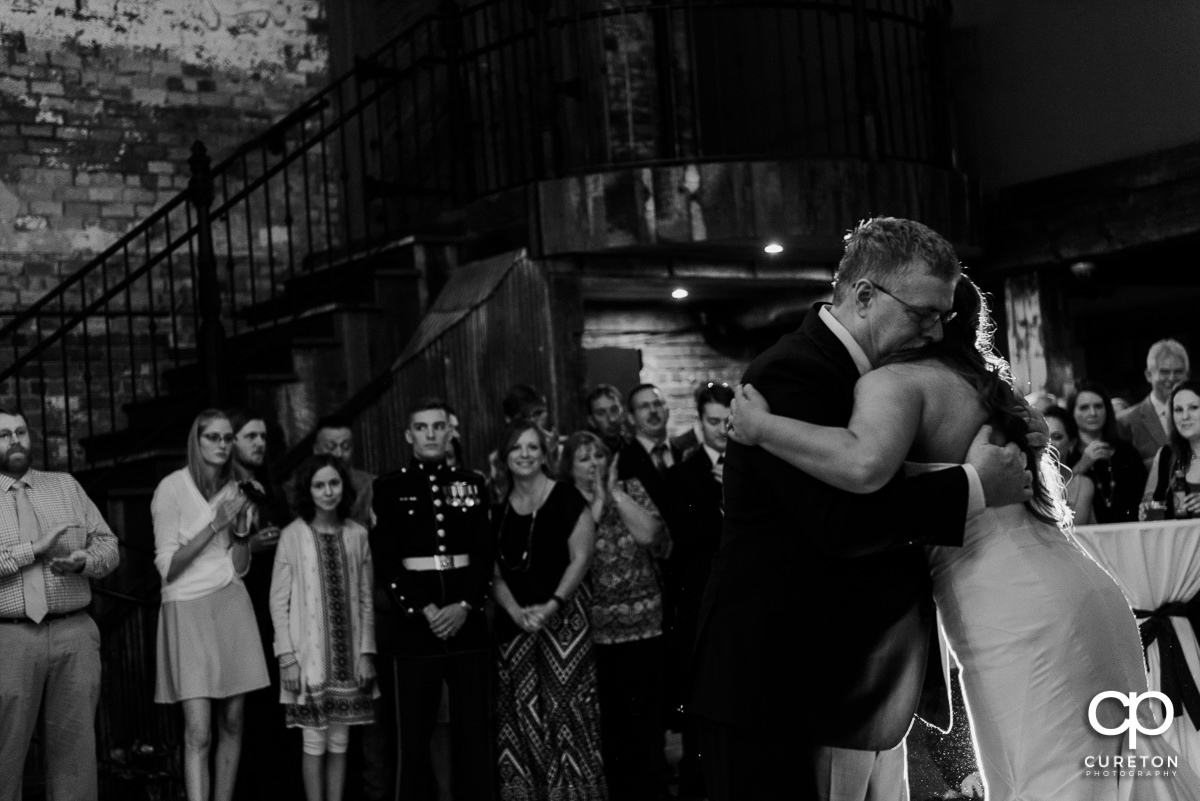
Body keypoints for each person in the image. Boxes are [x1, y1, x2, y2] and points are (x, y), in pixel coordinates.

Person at [729, 275, 1200, 799]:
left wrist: (762, 428)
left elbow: (862, 464)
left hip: (1012, 609)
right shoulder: (985, 385)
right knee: (1121, 767)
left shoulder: (896, 383)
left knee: (1050, 776)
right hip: (1085, 587)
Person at [687, 217, 1030, 801]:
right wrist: (973, 487)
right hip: (782, 681)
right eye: (922, 313)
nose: (934, 331)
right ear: (865, 295)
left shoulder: (874, 374)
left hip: (841, 680)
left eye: (944, 316)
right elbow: (843, 524)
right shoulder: (793, 371)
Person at [370, 398, 493, 801]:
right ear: (409, 435)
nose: (430, 435)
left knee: (474, 727)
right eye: (421, 428)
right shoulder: (389, 488)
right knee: (411, 733)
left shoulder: (472, 483)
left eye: (438, 427)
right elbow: (387, 560)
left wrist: (464, 606)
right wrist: (424, 609)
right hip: (413, 628)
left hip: (465, 621)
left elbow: (483, 554)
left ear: (450, 432)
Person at [0, 406, 119, 801]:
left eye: (20, 432)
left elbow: (108, 544)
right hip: (9, 638)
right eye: (3, 435)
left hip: (74, 632)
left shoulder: (65, 486)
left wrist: (85, 561)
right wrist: (32, 550)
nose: (14, 441)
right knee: (5, 755)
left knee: (77, 756)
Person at [152, 409, 270, 801]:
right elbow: (169, 568)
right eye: (213, 438)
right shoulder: (171, 488)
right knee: (198, 730)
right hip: (186, 608)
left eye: (226, 438)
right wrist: (218, 523)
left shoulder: (239, 490)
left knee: (234, 722)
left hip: (232, 603)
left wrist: (239, 531)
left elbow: (239, 566)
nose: (222, 445)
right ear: (196, 441)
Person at [492, 420, 606, 801]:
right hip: (516, 625)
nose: (524, 454)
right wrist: (516, 612)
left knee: (565, 712)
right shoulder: (498, 511)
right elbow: (494, 575)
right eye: (516, 448)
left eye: (531, 447)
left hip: (565, 623)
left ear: (544, 454)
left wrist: (552, 605)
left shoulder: (568, 498)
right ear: (505, 458)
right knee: (522, 717)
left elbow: (582, 557)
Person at [564, 430, 669, 801]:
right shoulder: (568, 502)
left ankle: (653, 787)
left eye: (599, 456)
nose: (594, 464)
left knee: (648, 716)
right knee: (614, 720)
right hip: (600, 630)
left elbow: (650, 534)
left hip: (645, 621)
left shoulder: (631, 488)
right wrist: (595, 500)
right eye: (584, 458)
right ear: (570, 466)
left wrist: (614, 494)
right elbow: (582, 554)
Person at [270, 454, 377, 801]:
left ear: (344, 487)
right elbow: (278, 601)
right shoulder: (293, 536)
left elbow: (365, 599)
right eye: (319, 485)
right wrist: (286, 657)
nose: (327, 491)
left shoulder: (358, 535)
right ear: (308, 490)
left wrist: (366, 654)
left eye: (334, 483)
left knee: (340, 744)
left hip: (348, 662)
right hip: (308, 661)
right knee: (313, 743)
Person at [664, 382, 732, 800]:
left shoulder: (757, 468)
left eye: (728, 421)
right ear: (698, 422)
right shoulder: (681, 474)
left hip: (744, 601)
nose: (722, 429)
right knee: (698, 701)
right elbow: (686, 538)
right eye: (713, 422)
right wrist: (724, 495)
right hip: (698, 600)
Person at [227, 408, 298, 801]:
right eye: (250, 435)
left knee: (276, 703)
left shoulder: (271, 488)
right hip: (238, 604)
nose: (259, 443)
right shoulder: (221, 491)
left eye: (263, 437)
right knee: (244, 708)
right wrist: (249, 546)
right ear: (232, 441)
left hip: (273, 604)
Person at [1068, 380, 1146, 523]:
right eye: (1084, 407)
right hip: (1085, 536)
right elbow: (1058, 495)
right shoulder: (1066, 453)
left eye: (1098, 406)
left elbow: (1142, 497)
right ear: (1072, 412)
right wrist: (1082, 465)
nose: (1093, 413)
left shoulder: (1126, 451)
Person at [1118, 339, 1191, 469]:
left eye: (1179, 372)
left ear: (1187, 375)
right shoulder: (1125, 422)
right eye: (1164, 372)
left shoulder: (1197, 415)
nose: (1171, 378)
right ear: (1148, 375)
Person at [1141, 380, 1200, 519]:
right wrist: (1145, 510)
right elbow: (1151, 501)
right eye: (1178, 410)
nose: (1185, 416)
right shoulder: (1167, 454)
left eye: (1194, 407)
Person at [1043, 405, 1095, 525]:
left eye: (1056, 437)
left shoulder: (1083, 485)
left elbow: (1074, 531)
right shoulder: (1026, 483)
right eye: (1044, 436)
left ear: (1071, 443)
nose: (1048, 444)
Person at [586, 384, 629, 456]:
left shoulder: (634, 445)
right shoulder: (588, 454)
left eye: (614, 410)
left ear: (623, 413)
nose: (611, 419)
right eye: (601, 413)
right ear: (592, 421)